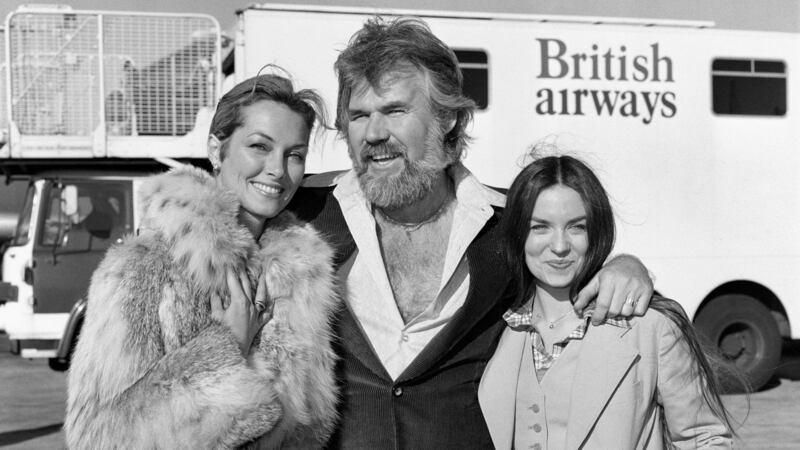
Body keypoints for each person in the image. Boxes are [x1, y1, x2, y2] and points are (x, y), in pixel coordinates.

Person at [288, 17, 654, 448]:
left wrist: (626, 265)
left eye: (395, 111)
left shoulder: (508, 221)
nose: (373, 133)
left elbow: (568, 257)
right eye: (358, 116)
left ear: (447, 119)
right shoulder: (305, 212)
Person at [65, 74, 340, 449]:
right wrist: (225, 349)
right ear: (216, 149)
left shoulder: (302, 276)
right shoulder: (145, 267)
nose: (278, 169)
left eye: (295, 154)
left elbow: (312, 426)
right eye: (260, 146)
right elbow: (96, 437)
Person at [479, 155, 736, 449]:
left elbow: (705, 438)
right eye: (540, 227)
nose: (560, 246)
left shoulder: (650, 327)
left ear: (596, 232)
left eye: (576, 227)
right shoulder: (493, 326)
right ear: (518, 234)